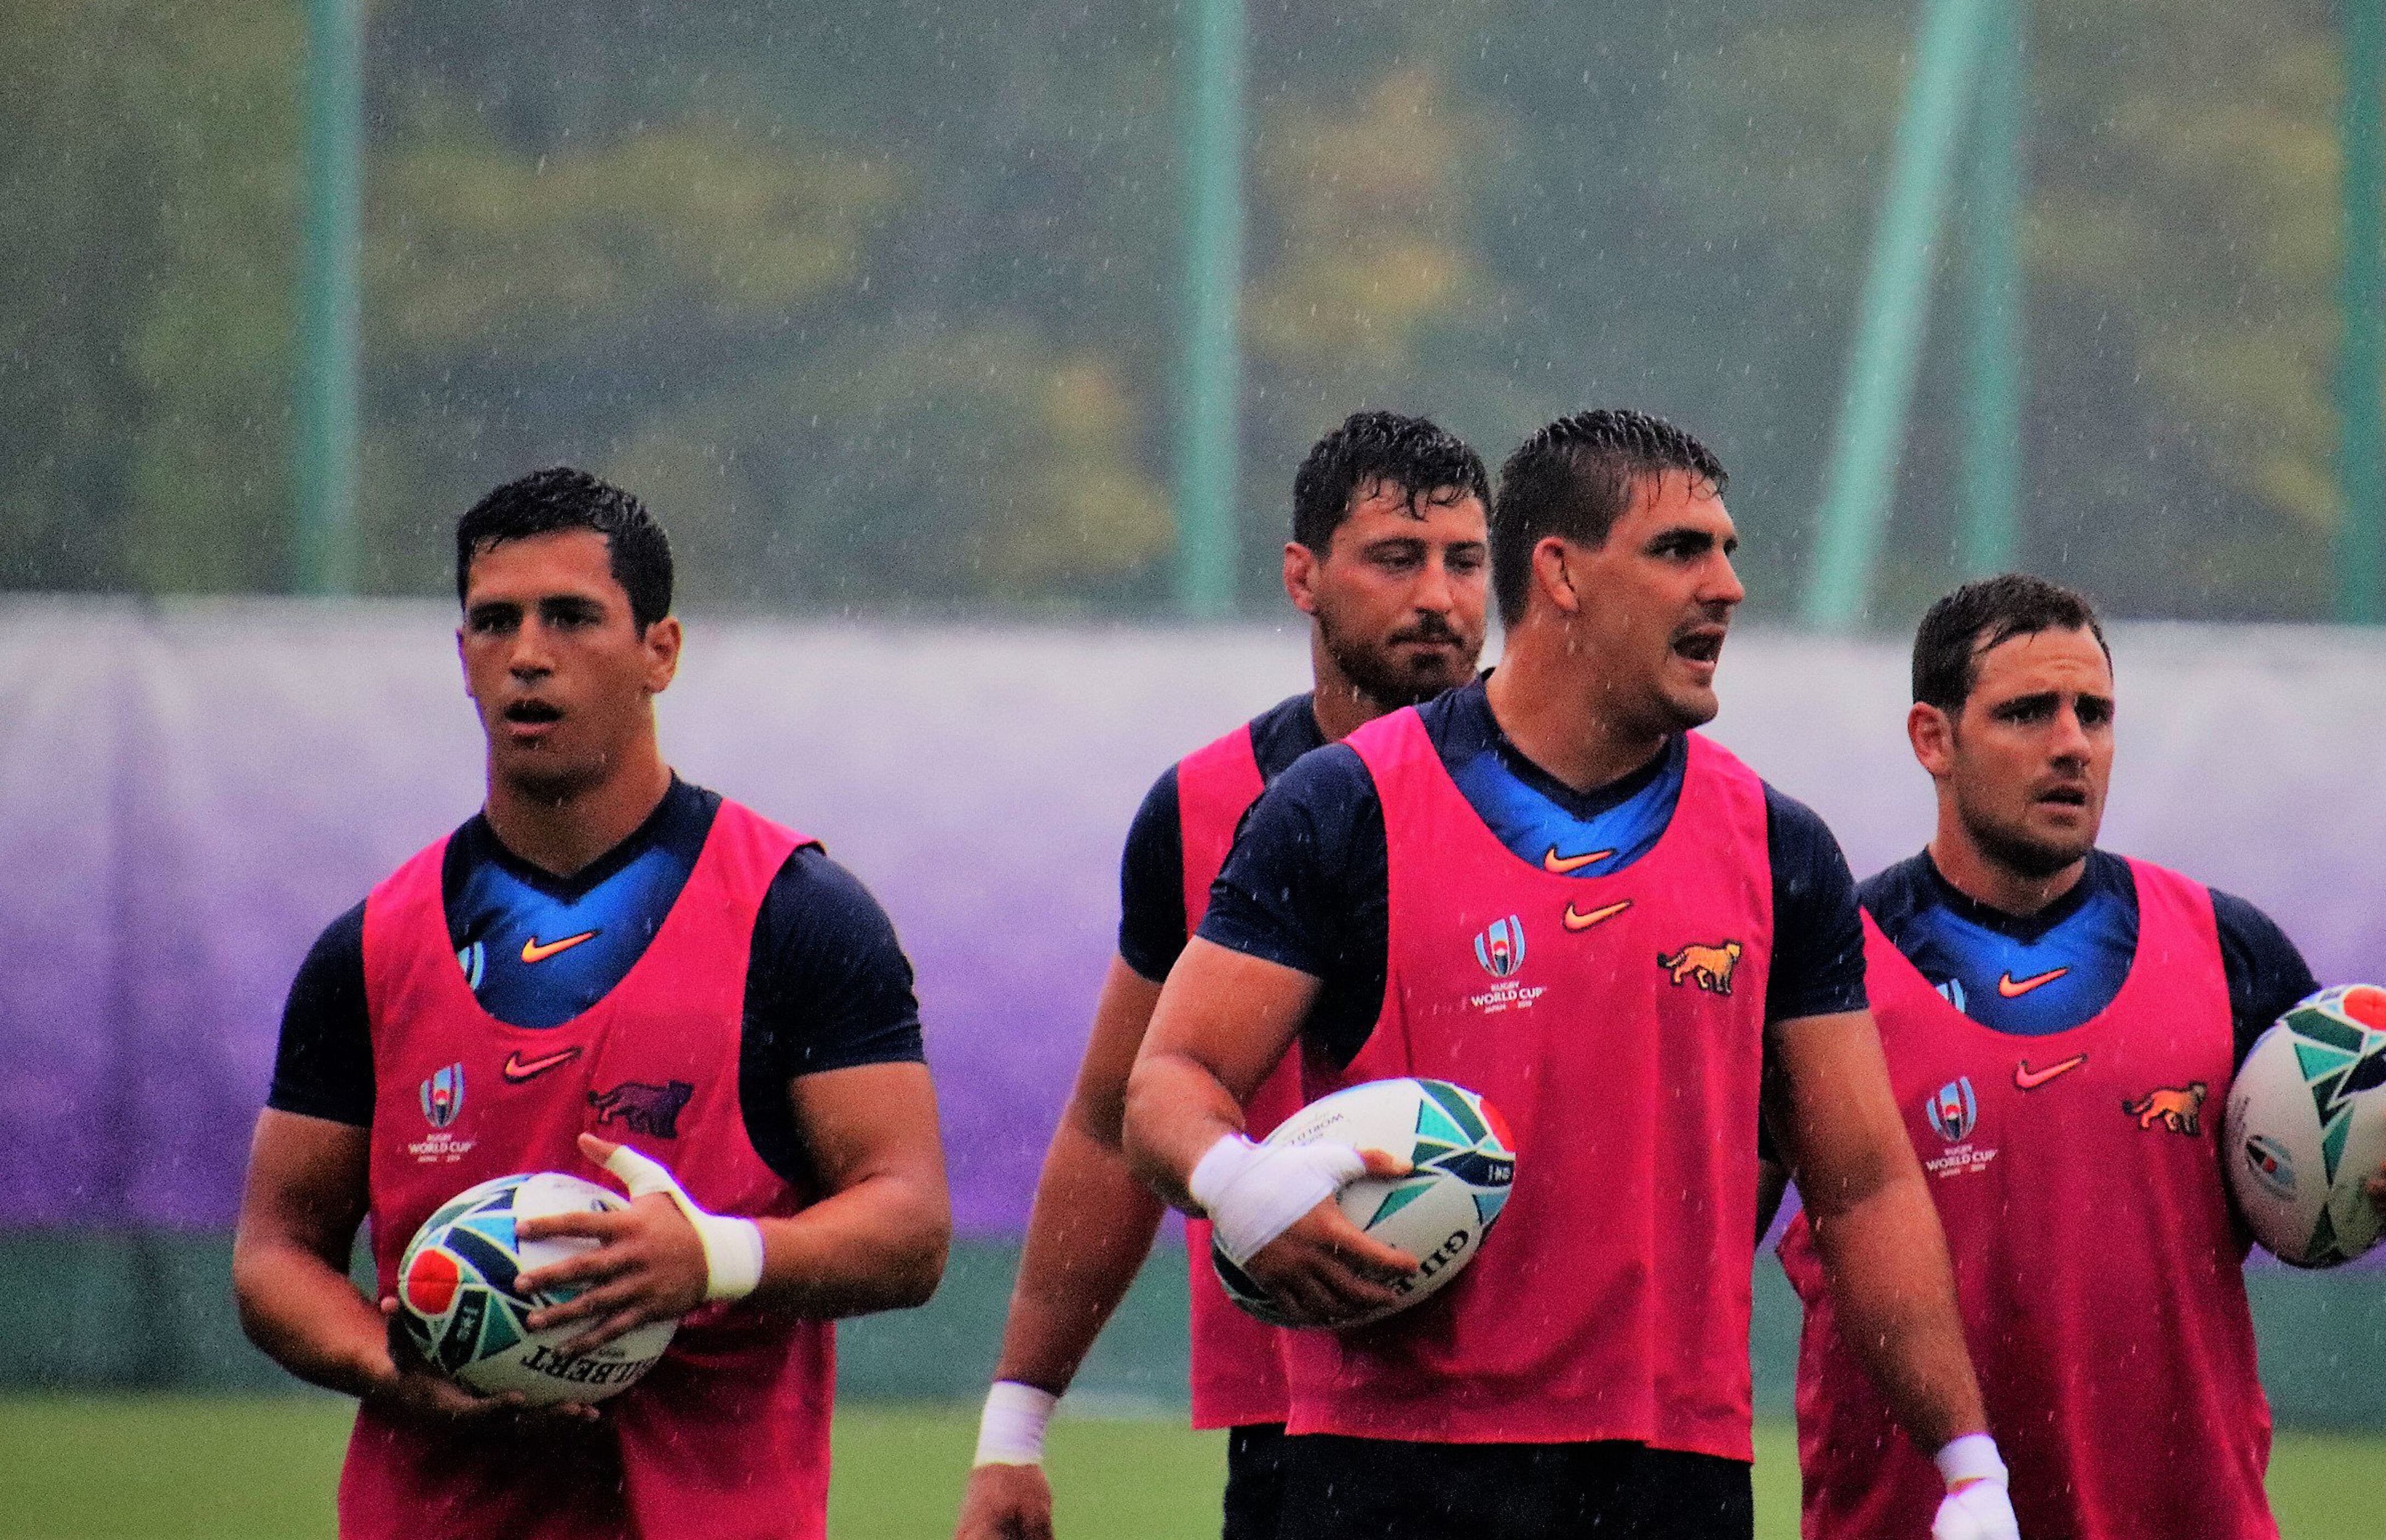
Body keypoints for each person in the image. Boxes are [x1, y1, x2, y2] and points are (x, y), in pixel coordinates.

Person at [1122, 409, 2021, 1540]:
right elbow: (1166, 1083)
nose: (1727, 586)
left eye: (1729, 550)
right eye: (1680, 550)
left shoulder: (1779, 849)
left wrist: (1967, 1462)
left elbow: (1863, 1187)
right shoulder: (1343, 806)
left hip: (1671, 1470)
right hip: (1386, 1468)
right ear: (1558, 573)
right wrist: (1236, 1182)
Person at [230, 468, 953, 1540]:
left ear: (660, 650)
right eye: (494, 621)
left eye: (571, 617)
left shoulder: (796, 919)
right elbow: (276, 1252)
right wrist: (395, 1367)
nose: (528, 653)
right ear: (463, 659)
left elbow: (909, 1226)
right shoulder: (373, 947)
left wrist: (709, 1258)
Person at [1778, 574, 2386, 1540]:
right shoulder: (1833, 965)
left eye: (2094, 713)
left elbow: (2372, 1122)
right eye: (2027, 712)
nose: (2072, 743)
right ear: (1934, 738)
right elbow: (1699, 1221)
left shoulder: (2226, 949)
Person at [955, 411, 1495, 1540]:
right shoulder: (1203, 806)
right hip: (1300, 1420)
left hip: (1551, 1413)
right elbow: (1112, 1128)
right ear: (1303, 576)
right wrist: (1015, 1429)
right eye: (1396, 560)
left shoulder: (1572, 789)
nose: (1439, 598)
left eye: (1464, 560)